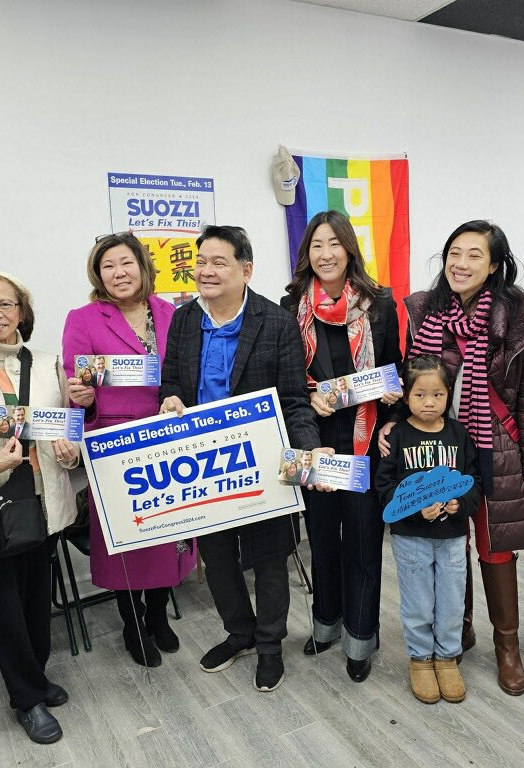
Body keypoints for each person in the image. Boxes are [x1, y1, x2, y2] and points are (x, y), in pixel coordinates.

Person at [387, 219, 524, 696]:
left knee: (495, 546)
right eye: (453, 253)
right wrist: (391, 426)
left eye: (474, 255)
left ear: (495, 265)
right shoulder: (424, 311)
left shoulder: (523, 316)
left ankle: (508, 647)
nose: (460, 264)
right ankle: (455, 631)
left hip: (495, 444)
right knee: (445, 539)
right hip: (435, 444)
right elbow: (410, 382)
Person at [160, 225, 322, 692]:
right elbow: (171, 380)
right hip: (204, 466)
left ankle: (271, 645)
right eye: (201, 261)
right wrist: (170, 399)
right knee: (217, 557)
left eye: (219, 262)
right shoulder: (185, 320)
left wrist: (306, 447)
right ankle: (240, 633)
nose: (206, 271)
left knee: (271, 558)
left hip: (261, 463)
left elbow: (294, 398)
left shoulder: (274, 322)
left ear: (245, 269)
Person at [0, 272, 81, 744]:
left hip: (44, 501)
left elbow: (69, 426)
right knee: (4, 609)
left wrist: (71, 449)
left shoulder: (49, 364)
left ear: (22, 311)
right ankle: (27, 700)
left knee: (34, 601)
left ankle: (37, 677)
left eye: (4, 305)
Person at [62, 233, 196, 668]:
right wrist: (79, 396)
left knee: (167, 534)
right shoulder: (83, 318)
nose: (119, 273)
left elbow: (185, 374)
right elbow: (74, 383)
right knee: (127, 539)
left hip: (169, 438)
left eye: (126, 263)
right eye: (108, 266)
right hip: (116, 444)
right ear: (97, 274)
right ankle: (132, 622)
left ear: (143, 266)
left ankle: (158, 615)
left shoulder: (171, 312)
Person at [281, 210, 401, 682]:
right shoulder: (291, 306)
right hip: (314, 441)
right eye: (316, 245)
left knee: (364, 542)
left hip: (366, 440)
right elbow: (286, 378)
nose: (325, 253)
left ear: (349, 249)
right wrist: (309, 396)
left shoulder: (382, 304)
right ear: (306, 253)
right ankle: (326, 625)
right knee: (322, 541)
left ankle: (360, 638)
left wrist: (392, 406)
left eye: (334, 243)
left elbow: (396, 368)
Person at [376, 355, 481, 704]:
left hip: (452, 538)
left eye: (437, 395)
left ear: (448, 395)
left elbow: (474, 481)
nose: (429, 402)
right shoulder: (397, 435)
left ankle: (447, 657)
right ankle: (421, 658)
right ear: (406, 396)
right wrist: (413, 507)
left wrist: (460, 504)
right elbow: (384, 487)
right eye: (420, 395)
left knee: (452, 602)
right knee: (418, 603)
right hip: (410, 539)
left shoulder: (459, 434)